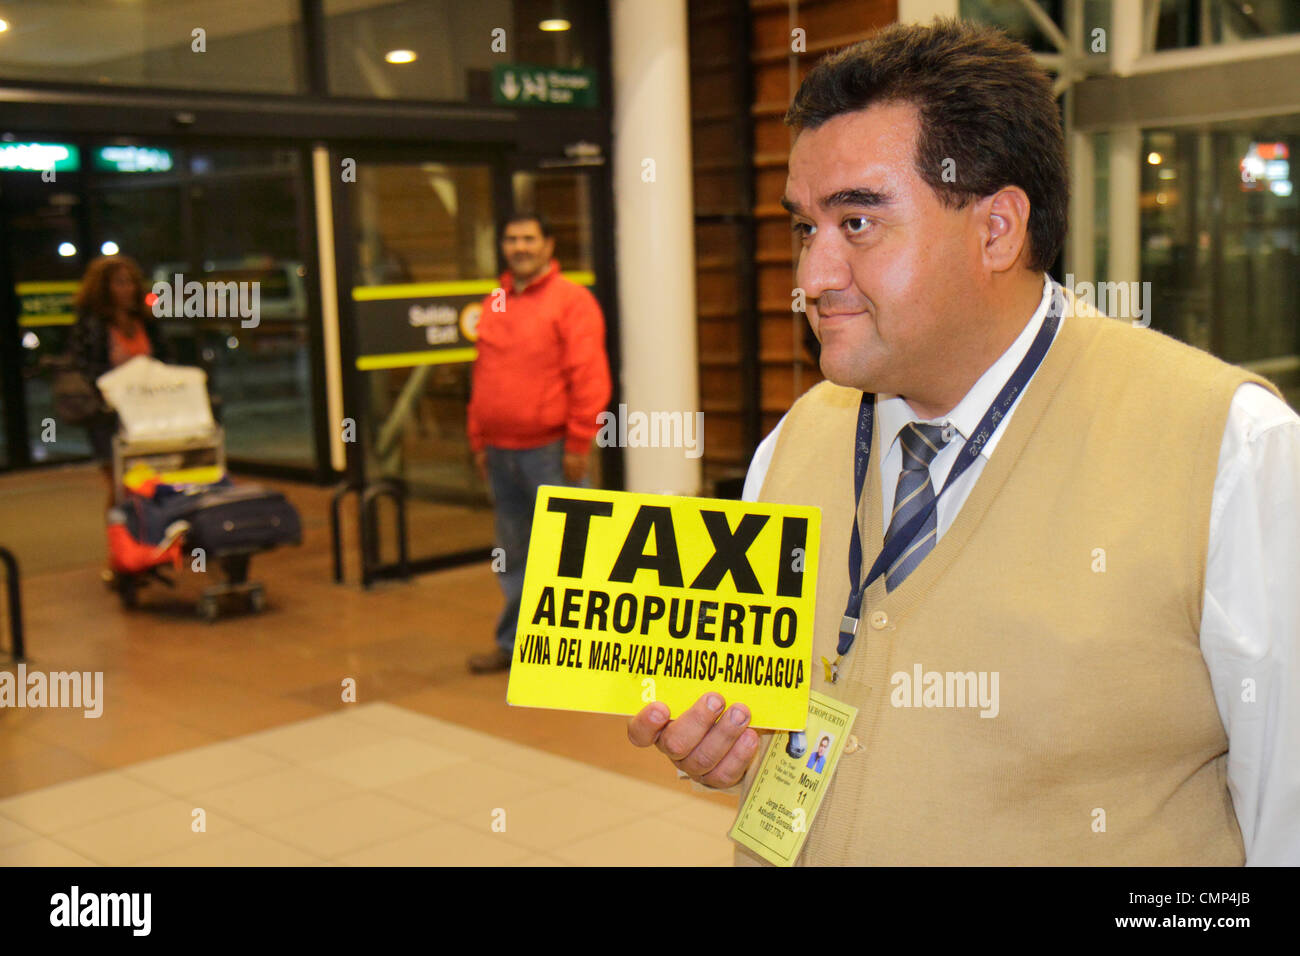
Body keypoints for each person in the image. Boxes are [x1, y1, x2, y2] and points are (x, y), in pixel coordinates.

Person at [627, 19, 1300, 865]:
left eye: (858, 223)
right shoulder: (795, 443)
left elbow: (1288, 817)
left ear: (996, 230)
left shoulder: (1228, 451)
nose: (812, 278)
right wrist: (729, 742)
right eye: (806, 228)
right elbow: (789, 720)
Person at [466, 213, 611, 674]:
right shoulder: (495, 300)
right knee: (513, 554)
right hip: (500, 451)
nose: (519, 246)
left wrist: (579, 442)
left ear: (548, 245)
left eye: (529, 238)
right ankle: (514, 646)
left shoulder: (573, 301)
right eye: (511, 239)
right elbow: (483, 373)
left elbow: (589, 377)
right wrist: (478, 441)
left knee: (574, 550)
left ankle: (585, 652)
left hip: (552, 452)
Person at [67, 254, 169, 509]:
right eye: (119, 283)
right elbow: (85, 367)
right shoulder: (92, 324)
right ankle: (121, 542)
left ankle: (147, 537)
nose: (128, 289)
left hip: (148, 410)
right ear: (104, 289)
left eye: (130, 282)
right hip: (108, 414)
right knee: (120, 484)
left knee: (151, 480)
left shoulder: (146, 321)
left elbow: (165, 359)